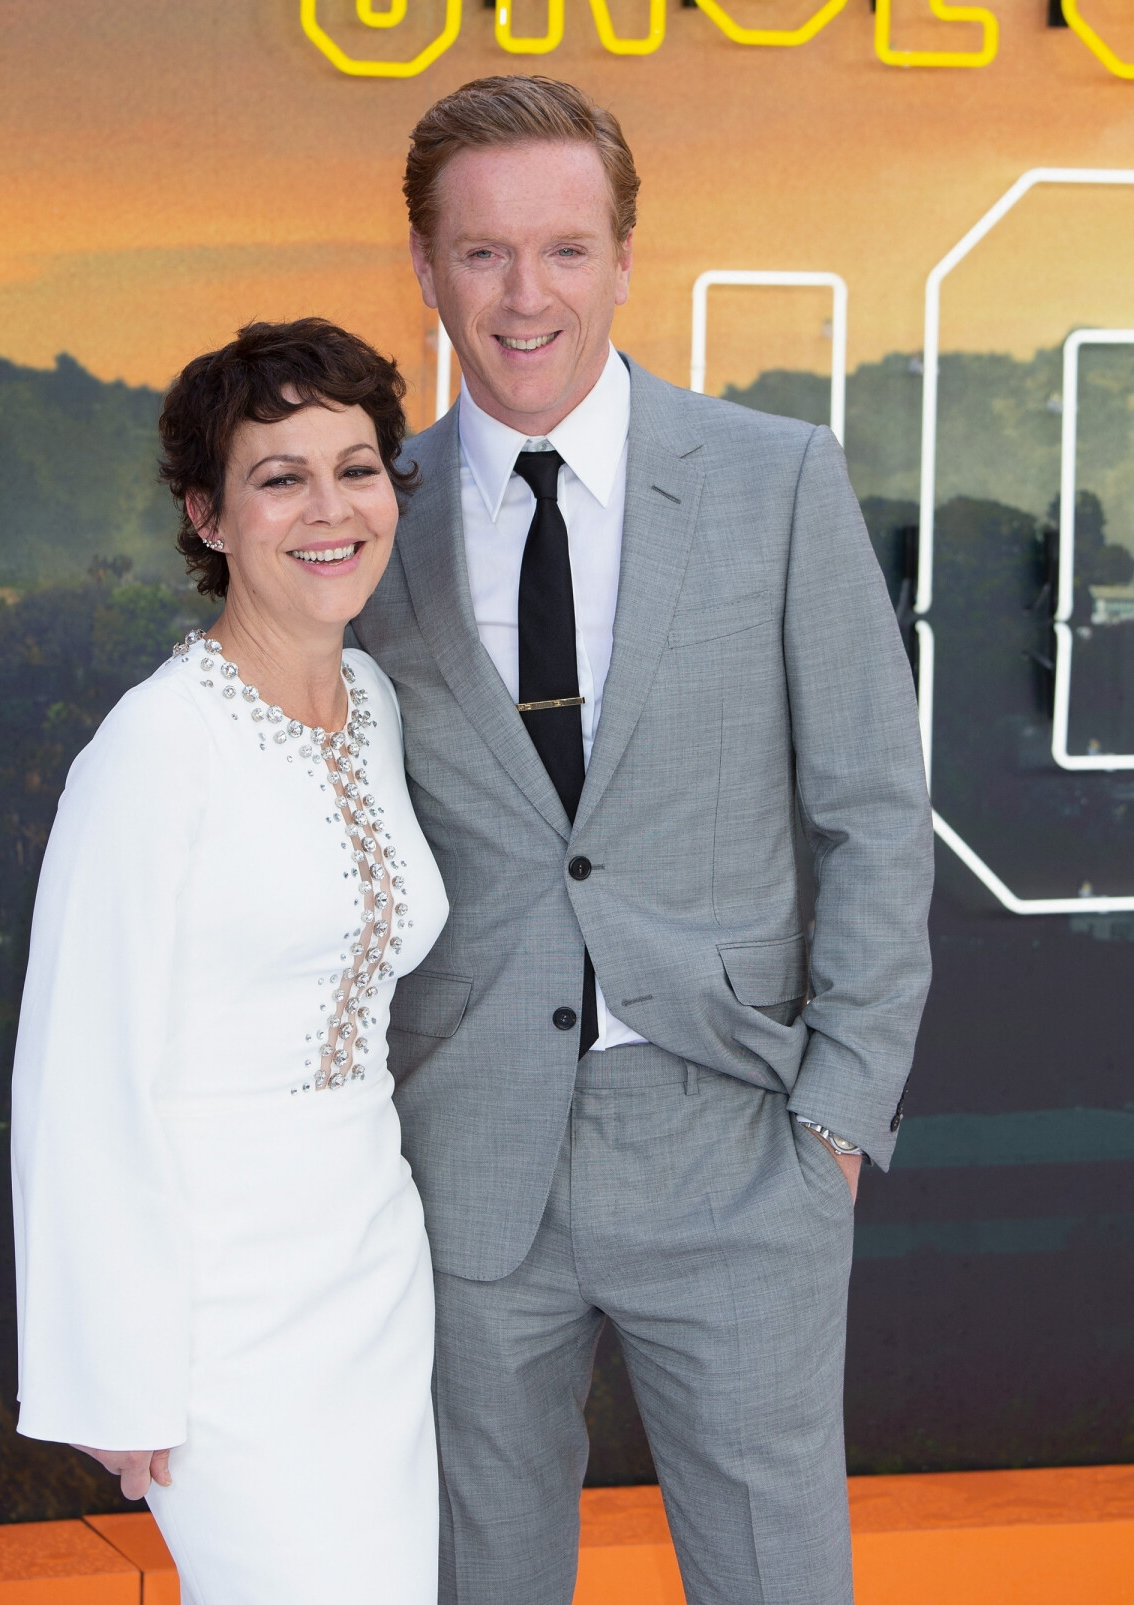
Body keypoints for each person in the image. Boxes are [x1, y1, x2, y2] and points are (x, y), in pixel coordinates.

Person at [352, 77, 935, 1605]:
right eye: (481, 253)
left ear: (624, 257)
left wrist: (841, 1108)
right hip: (463, 1159)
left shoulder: (774, 477)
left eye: (562, 248)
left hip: (738, 1145)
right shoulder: (367, 517)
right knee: (482, 1582)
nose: (523, 293)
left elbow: (874, 808)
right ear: (424, 267)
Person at [10, 319, 448, 1604]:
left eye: (357, 468)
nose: (331, 508)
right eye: (279, 476)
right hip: (220, 1316)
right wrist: (113, 1372)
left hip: (373, 1275)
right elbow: (80, 1072)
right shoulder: (156, 749)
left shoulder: (376, 705)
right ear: (207, 515)